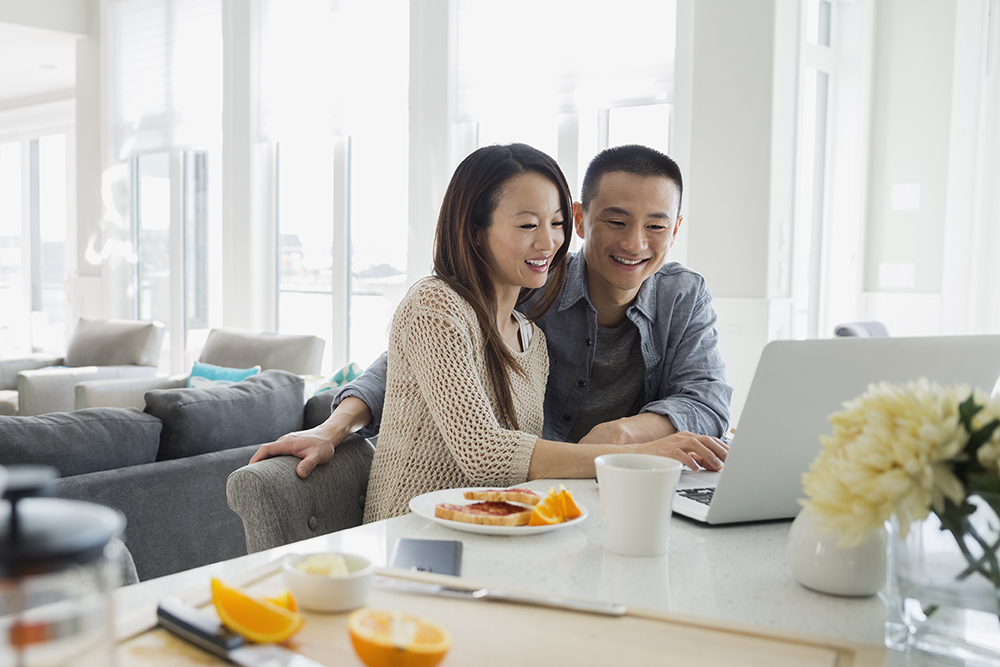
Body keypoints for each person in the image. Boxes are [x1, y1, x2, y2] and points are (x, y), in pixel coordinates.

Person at [251, 144, 731, 498]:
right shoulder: (529, 287)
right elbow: (410, 362)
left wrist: (626, 433)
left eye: (656, 226)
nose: (635, 244)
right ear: (585, 220)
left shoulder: (678, 296)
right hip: (511, 497)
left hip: (570, 495)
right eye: (617, 221)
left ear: (676, 229)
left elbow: (706, 399)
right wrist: (332, 427)